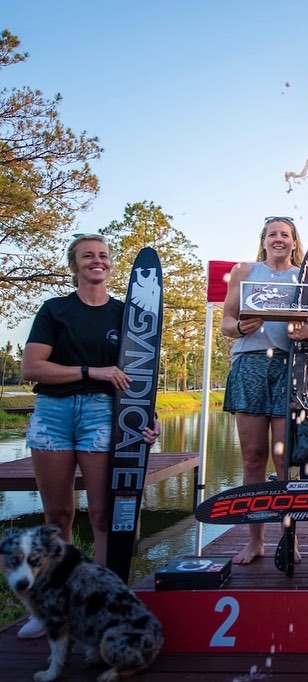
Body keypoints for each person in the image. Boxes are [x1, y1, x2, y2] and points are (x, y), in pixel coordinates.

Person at [20, 233, 161, 639]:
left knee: (103, 515)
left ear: (111, 265)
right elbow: (33, 367)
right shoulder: (55, 310)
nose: (96, 261)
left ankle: (100, 604)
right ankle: (52, 606)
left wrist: (149, 418)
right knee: (58, 516)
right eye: (87, 256)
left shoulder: (127, 313)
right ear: (75, 264)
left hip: (104, 416)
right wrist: (90, 372)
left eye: (102, 256)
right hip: (54, 413)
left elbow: (140, 372)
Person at [221, 216, 308, 565]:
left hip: (290, 368)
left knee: (285, 460)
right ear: (264, 240)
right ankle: (255, 541)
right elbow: (226, 321)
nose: (279, 239)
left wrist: (306, 333)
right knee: (253, 457)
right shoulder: (244, 272)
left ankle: (288, 539)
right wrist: (240, 326)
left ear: (295, 242)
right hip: (250, 365)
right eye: (272, 234)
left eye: (285, 234)